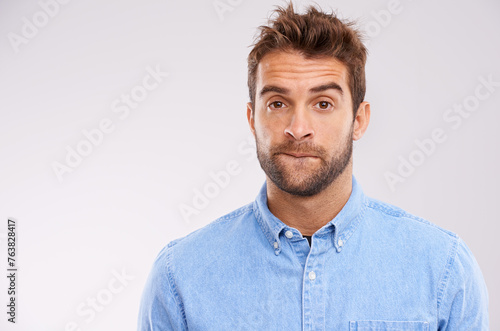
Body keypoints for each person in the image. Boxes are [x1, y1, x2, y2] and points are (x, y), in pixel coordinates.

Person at [138, 3, 489, 330]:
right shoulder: (179, 277)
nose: (298, 127)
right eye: (277, 103)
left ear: (359, 120)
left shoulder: (443, 268)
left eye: (323, 103)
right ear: (251, 119)